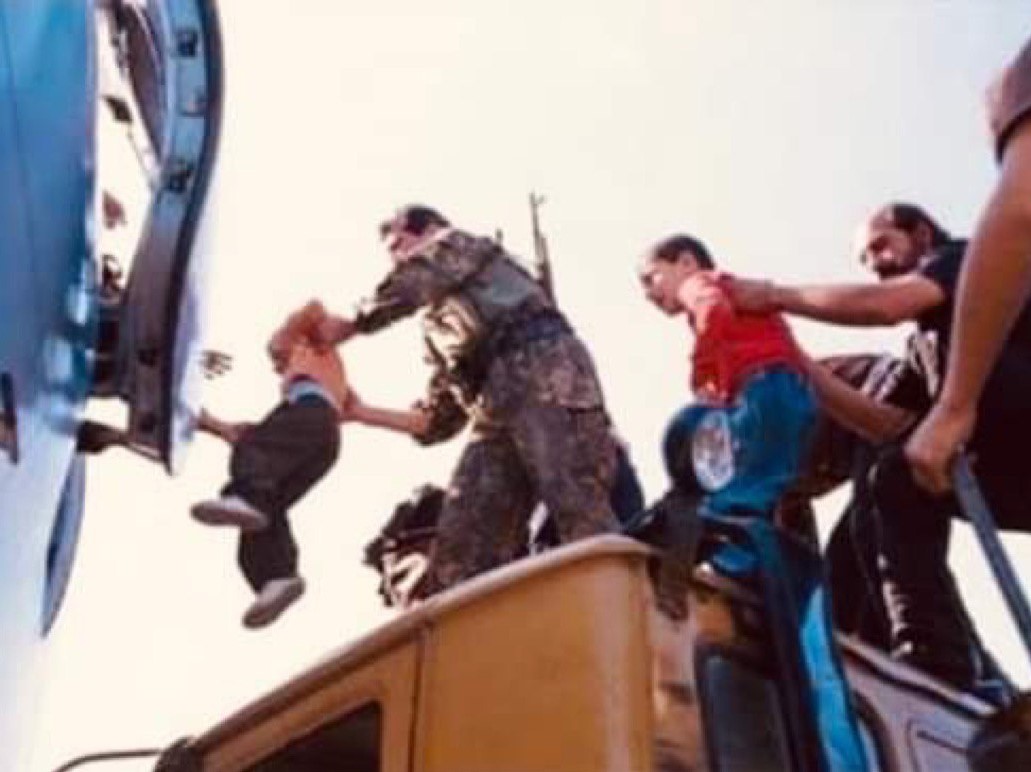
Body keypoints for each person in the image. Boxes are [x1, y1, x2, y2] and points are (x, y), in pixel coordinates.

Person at [728, 202, 1031, 688]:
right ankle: (936, 659)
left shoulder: (962, 261)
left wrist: (772, 296)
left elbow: (886, 306)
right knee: (892, 481)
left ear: (922, 233)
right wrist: (796, 360)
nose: (876, 264)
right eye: (865, 260)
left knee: (892, 477)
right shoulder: (926, 353)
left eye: (881, 246)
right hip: (1011, 473)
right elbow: (883, 425)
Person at [297, 204, 619, 595]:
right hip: (494, 408)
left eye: (400, 243)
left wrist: (351, 323)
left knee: (577, 504)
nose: (397, 258)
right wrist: (363, 413)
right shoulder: (439, 329)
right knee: (463, 542)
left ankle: (616, 602)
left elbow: (419, 276)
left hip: (544, 372)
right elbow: (439, 419)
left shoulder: (456, 245)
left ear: (430, 229)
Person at [906, 37, 1031, 493]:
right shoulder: (919, 350)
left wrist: (956, 406)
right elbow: (891, 426)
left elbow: (1023, 208)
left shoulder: (949, 260)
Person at [192, 300, 348, 628]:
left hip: (313, 415)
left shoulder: (312, 351)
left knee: (255, 460)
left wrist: (285, 335)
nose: (277, 369)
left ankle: (247, 498)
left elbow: (314, 309)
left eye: (277, 362)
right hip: (326, 443)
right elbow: (365, 414)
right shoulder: (333, 388)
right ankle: (276, 577)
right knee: (266, 507)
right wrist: (212, 424)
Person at [639, 233, 817, 521]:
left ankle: (729, 525)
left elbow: (713, 308)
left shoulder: (696, 284)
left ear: (686, 263)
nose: (647, 294)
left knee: (746, 484)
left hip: (764, 386)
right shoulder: (734, 295)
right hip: (789, 390)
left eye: (651, 278)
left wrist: (702, 371)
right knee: (770, 477)